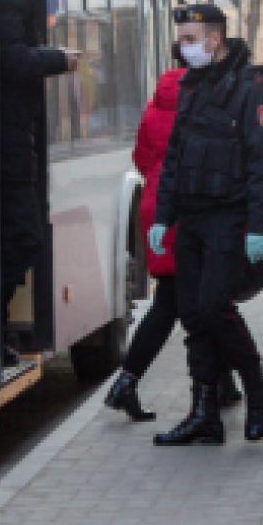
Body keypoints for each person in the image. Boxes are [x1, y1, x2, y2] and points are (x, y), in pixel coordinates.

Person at [148, 3, 263, 445]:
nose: (182, 48)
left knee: (213, 308)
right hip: (191, 219)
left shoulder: (253, 88)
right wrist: (163, 215)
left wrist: (259, 226)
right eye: (181, 40)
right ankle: (204, 413)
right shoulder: (191, 84)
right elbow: (174, 158)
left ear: (214, 39)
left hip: (230, 217)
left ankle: (257, 387)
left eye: (189, 39)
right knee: (191, 315)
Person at [104, 33, 245, 421]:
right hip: (192, 208)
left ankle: (220, 384)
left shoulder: (158, 102)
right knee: (189, 303)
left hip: (157, 207)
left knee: (189, 301)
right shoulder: (211, 97)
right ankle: (131, 382)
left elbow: (141, 157)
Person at [0, 0, 79, 365]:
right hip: (11, 140)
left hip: (12, 136)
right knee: (26, 238)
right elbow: (11, 59)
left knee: (18, 237)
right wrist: (58, 59)